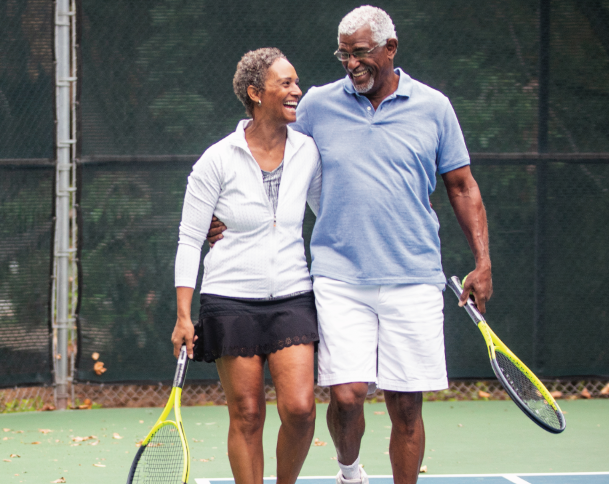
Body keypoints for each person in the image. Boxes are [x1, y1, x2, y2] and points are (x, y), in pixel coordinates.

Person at [207, 6, 493, 484]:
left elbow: (462, 187)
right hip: (338, 277)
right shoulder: (318, 104)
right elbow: (266, 147)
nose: (351, 63)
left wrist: (482, 263)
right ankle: (349, 471)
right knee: (346, 394)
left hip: (414, 276)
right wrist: (224, 210)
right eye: (343, 54)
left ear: (390, 49)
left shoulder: (434, 107)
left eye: (360, 53)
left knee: (405, 408)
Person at [171, 47, 323, 484]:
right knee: (248, 414)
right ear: (256, 93)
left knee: (300, 409)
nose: (298, 90)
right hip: (230, 301)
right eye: (287, 83)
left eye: (297, 81)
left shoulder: (308, 152)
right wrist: (184, 315)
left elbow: (327, 212)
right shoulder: (216, 160)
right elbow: (189, 239)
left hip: (293, 295)